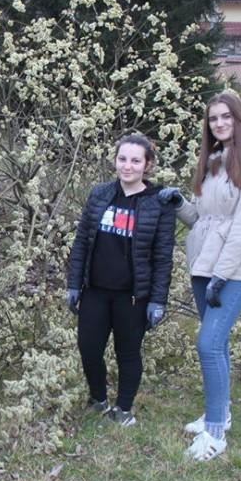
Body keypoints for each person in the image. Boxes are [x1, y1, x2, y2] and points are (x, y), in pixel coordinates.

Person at [158, 91, 241, 461]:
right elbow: (202, 217)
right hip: (203, 263)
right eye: (214, 119)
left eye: (227, 116)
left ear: (239, 118)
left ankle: (215, 436)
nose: (220, 123)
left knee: (208, 343)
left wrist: (223, 274)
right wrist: (179, 203)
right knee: (218, 343)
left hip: (233, 267)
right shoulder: (214, 160)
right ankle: (220, 414)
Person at [66, 134, 176, 426]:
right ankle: (98, 398)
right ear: (115, 161)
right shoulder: (100, 195)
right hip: (95, 291)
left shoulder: (159, 204)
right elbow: (81, 243)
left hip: (132, 296)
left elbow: (163, 257)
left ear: (147, 165)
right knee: (88, 348)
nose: (127, 166)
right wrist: (74, 283)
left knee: (127, 352)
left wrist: (157, 300)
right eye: (122, 159)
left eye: (135, 160)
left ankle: (123, 408)